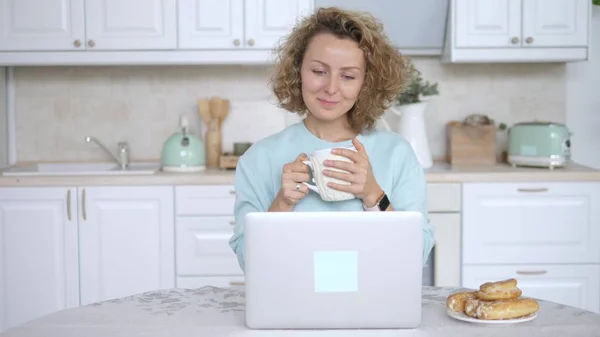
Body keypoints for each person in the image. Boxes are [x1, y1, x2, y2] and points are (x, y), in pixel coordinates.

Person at [229, 6, 435, 272]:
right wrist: (283, 203)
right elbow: (249, 263)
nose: (331, 88)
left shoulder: (397, 154)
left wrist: (374, 195)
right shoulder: (259, 158)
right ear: (297, 71)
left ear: (366, 83)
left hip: (374, 306)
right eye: (318, 71)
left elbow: (415, 256)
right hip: (292, 307)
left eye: (348, 76)